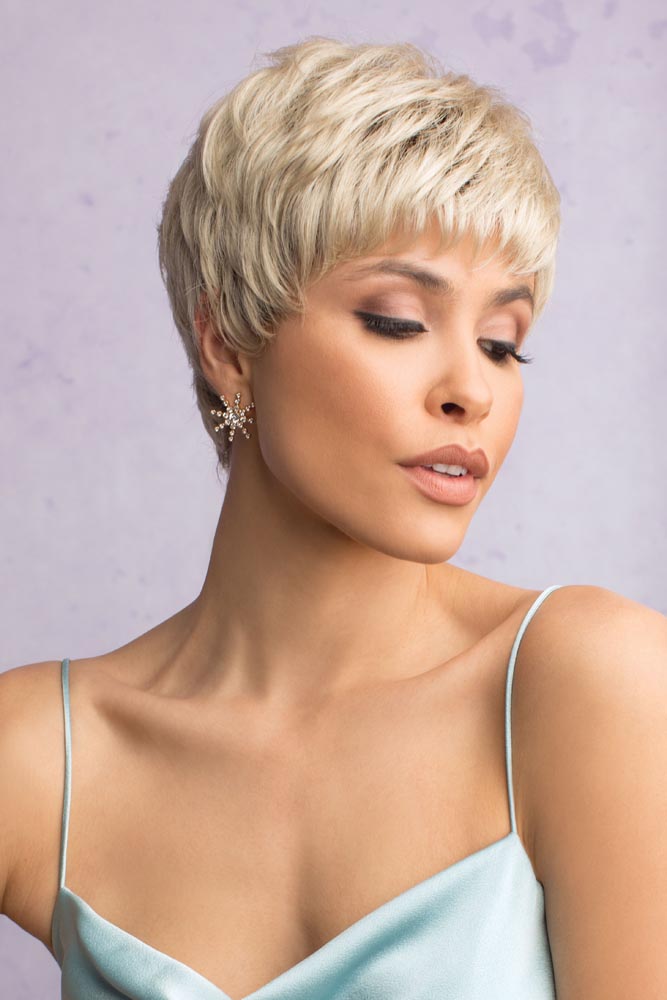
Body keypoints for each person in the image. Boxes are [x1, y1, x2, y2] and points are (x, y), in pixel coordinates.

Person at [1, 35, 665, 1000]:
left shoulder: (589, 683)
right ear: (228, 345)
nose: (471, 390)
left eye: (501, 341)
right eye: (398, 321)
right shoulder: (38, 757)